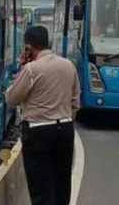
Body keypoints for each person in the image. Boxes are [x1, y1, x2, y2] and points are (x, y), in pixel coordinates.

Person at [5, 26, 80, 205]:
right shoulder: (68, 66)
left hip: (39, 132)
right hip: (65, 129)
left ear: (29, 47)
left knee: (41, 187)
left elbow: (11, 98)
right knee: (62, 183)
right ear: (48, 43)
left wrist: (22, 68)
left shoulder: (31, 69)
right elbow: (76, 102)